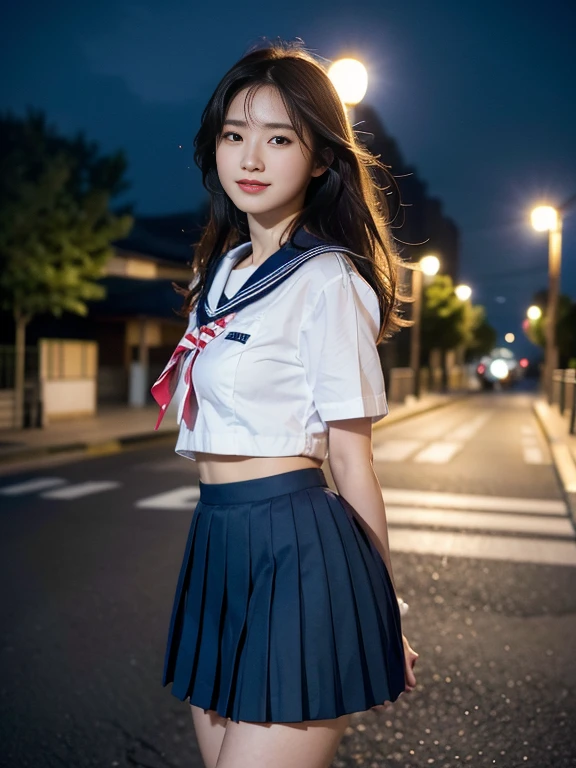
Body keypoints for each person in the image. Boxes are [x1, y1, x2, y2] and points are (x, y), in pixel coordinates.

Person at [152, 39, 419, 768]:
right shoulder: (222, 270)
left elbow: (352, 458)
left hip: (299, 552)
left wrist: (383, 611)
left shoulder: (327, 279)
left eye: (279, 139)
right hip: (215, 548)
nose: (252, 158)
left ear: (322, 159)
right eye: (236, 136)